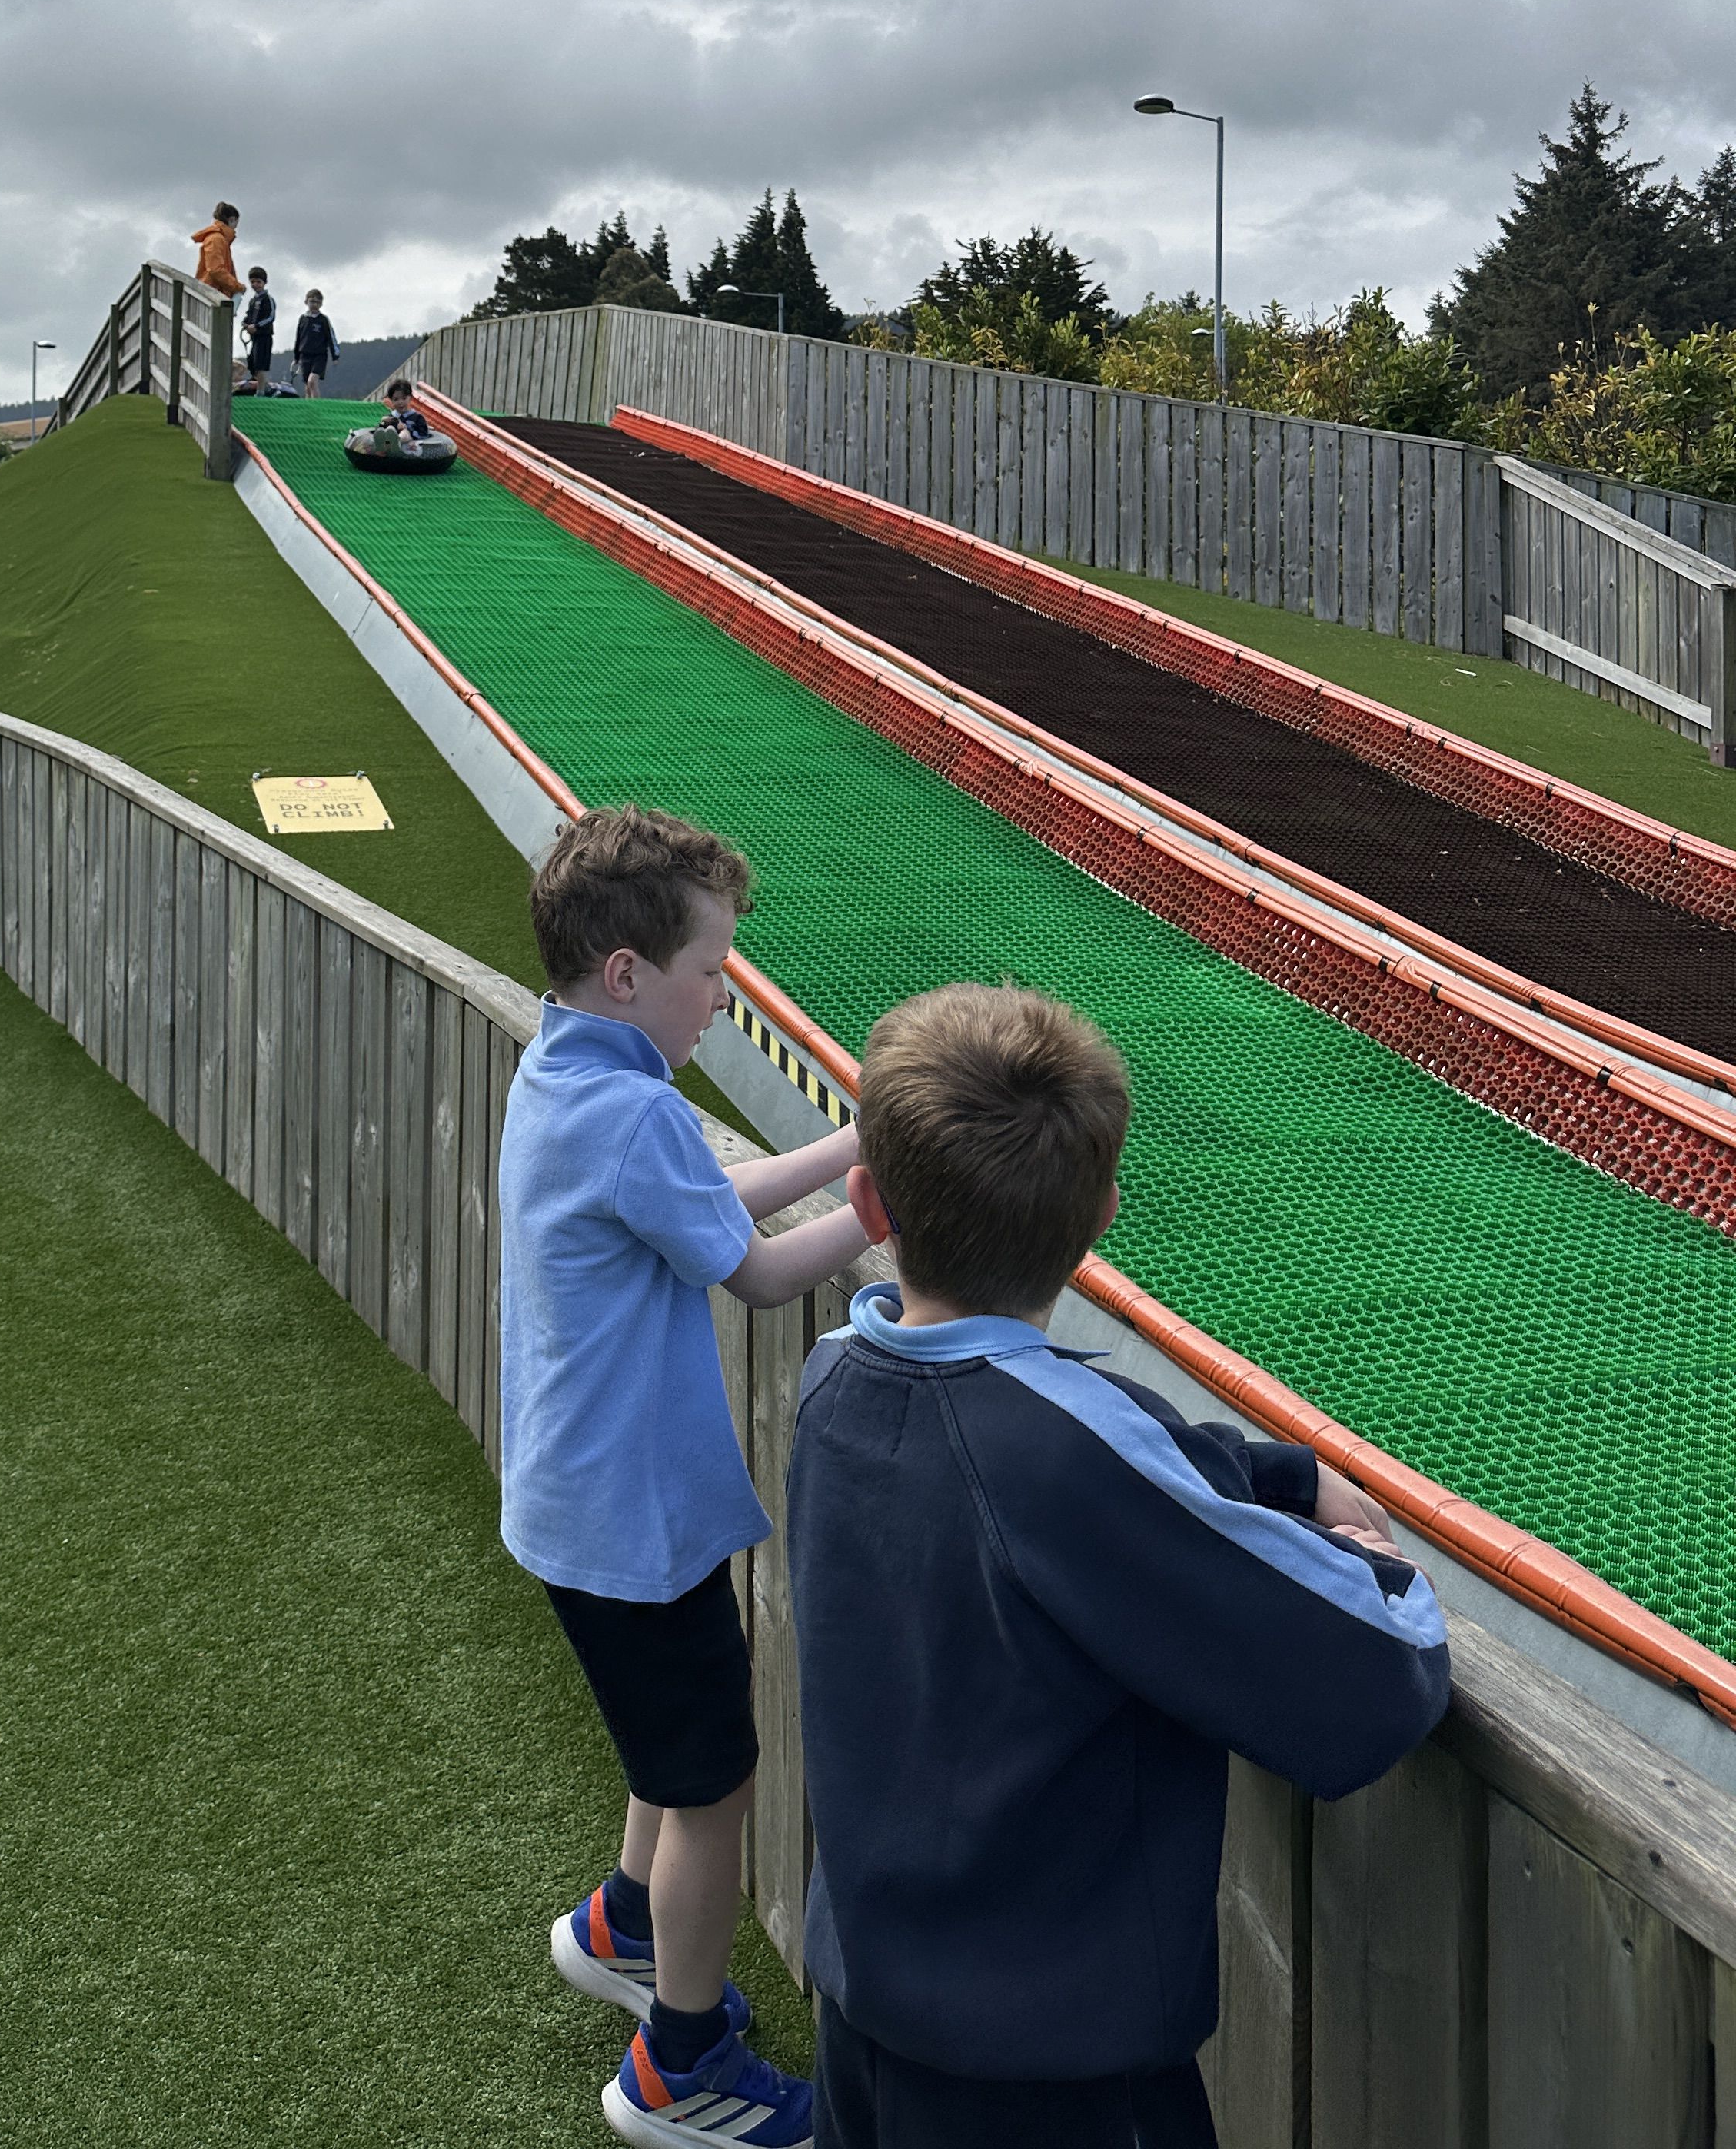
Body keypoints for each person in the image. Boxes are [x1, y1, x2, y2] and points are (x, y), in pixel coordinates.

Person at [788, 984, 1452, 2149]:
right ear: (1100, 1215)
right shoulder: (1061, 1456)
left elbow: (1062, 1447)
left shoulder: (835, 1374)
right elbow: (1373, 1677)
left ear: (869, 1202)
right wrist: (1376, 1563)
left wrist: (1275, 1475)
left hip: (866, 2012)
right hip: (1050, 2075)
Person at [502, 806, 862, 2149]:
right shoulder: (635, 1113)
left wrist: (857, 1143)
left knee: (669, 1747)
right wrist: (883, 1211)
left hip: (583, 1506)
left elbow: (709, 1204)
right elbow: (759, 1272)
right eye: (710, 969)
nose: (723, 994)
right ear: (626, 973)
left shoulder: (569, 1074)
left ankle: (627, 1927)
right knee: (711, 1782)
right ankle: (681, 2067)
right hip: (631, 1520)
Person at [293, 289, 338, 397]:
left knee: (312, 381)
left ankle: (317, 404)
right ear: (306, 302)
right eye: (312, 302)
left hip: (319, 356)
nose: (314, 305)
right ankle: (309, 405)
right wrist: (296, 357)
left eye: (318, 302)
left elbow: (331, 338)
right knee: (307, 385)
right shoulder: (303, 319)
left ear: (321, 304)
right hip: (305, 355)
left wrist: (335, 356)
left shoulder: (323, 320)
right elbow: (298, 338)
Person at [192, 203, 243, 297]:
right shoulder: (216, 239)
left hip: (214, 292)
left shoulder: (219, 239)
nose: (236, 227)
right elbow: (215, 270)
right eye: (236, 223)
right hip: (212, 293)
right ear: (232, 219)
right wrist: (238, 287)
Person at [240, 267, 278, 389]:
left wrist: (256, 326)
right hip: (254, 338)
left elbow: (270, 317)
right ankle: (262, 387)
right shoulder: (253, 300)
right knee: (253, 364)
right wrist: (245, 323)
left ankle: (261, 391)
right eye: (253, 282)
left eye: (258, 282)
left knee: (261, 365)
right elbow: (249, 315)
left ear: (264, 282)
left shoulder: (268, 299)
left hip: (264, 336)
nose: (255, 284)